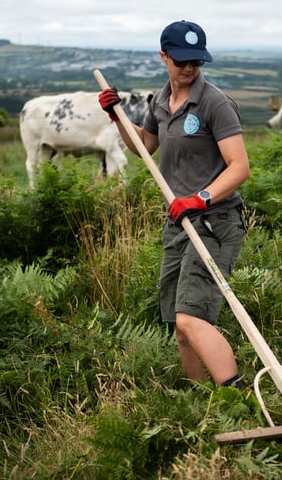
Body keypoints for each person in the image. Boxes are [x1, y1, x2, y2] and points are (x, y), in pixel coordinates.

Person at [98, 20, 250, 389]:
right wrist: (118, 117)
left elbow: (240, 168)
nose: (189, 68)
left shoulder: (215, 103)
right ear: (163, 56)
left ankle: (236, 399)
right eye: (181, 60)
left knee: (190, 319)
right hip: (179, 223)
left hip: (215, 220)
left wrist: (200, 199)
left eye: (196, 61)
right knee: (179, 326)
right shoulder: (161, 102)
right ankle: (202, 404)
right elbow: (143, 148)